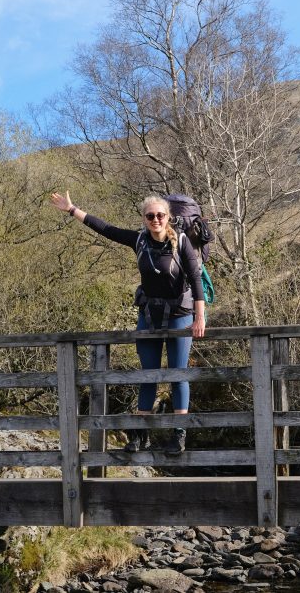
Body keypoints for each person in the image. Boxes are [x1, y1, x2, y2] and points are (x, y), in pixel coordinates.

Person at [49, 191, 206, 455]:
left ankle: (179, 435)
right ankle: (140, 435)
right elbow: (106, 229)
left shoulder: (180, 242)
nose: (155, 219)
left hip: (180, 313)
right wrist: (72, 209)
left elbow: (196, 278)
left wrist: (200, 317)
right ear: (144, 219)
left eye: (160, 215)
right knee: (147, 375)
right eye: (150, 216)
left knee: (178, 375)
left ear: (168, 217)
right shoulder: (139, 241)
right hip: (149, 314)